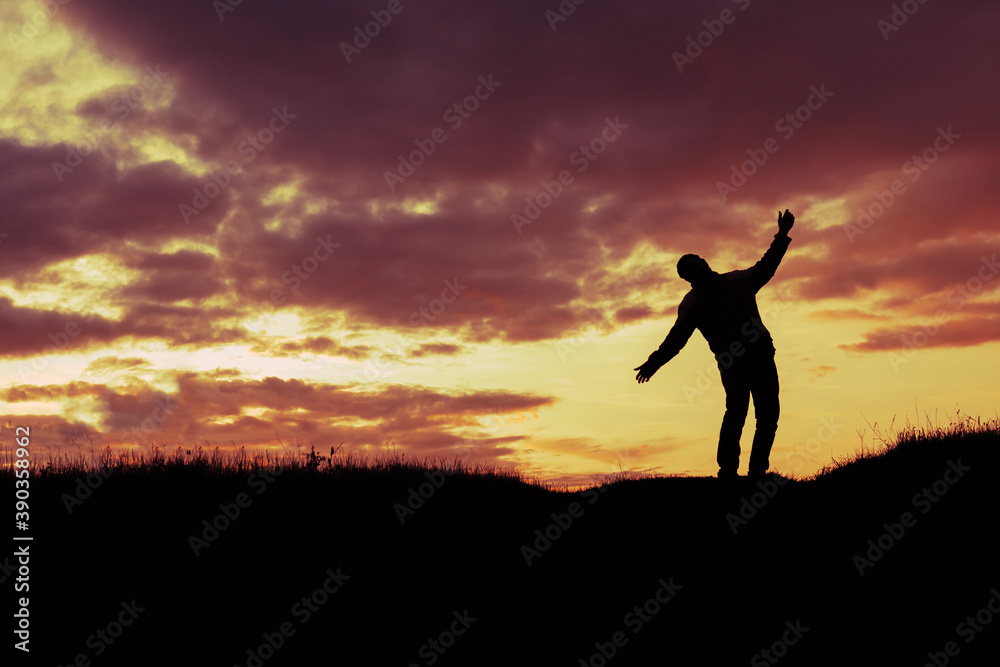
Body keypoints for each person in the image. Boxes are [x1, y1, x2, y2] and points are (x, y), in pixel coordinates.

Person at [634, 210, 795, 480]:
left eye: (697, 265)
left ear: (705, 262)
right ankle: (728, 472)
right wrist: (654, 362)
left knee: (767, 415)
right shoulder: (693, 304)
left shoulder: (738, 281)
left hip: (761, 355)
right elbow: (676, 339)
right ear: (687, 279)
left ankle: (757, 472)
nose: (697, 271)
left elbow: (766, 266)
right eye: (690, 271)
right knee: (736, 413)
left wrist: (782, 234)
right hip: (732, 363)